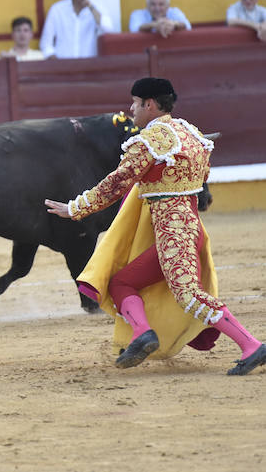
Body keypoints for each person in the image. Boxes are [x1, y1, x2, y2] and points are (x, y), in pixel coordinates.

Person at [45, 77, 266, 375]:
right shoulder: (190, 133)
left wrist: (75, 208)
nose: (131, 109)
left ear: (149, 105)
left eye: (135, 103)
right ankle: (143, 335)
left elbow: (117, 182)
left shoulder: (150, 141)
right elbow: (201, 178)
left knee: (189, 295)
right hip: (186, 229)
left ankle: (252, 345)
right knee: (121, 283)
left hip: (174, 236)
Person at [39, 0, 113, 59]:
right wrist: (57, 63)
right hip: (63, 63)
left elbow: (108, 29)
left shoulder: (98, 7)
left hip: (90, 64)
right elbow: (45, 43)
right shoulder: (57, 9)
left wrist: (89, 5)